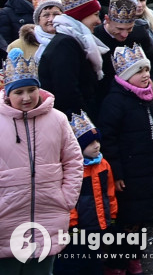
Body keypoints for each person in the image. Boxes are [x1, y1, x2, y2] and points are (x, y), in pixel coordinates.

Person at [0, 50, 84, 272]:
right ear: (8, 94)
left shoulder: (57, 119)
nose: (26, 97)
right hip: (6, 218)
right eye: (19, 92)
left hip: (50, 213)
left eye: (31, 90)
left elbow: (74, 160)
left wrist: (66, 198)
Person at [98, 44, 153, 275]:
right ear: (126, 77)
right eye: (138, 72)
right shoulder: (115, 102)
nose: (145, 75)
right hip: (128, 174)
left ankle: (134, 258)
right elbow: (108, 140)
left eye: (146, 70)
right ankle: (117, 264)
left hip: (148, 168)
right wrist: (117, 173)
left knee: (140, 219)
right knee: (124, 221)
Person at [37, 0, 108, 118]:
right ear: (82, 16)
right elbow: (68, 94)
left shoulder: (70, 41)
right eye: (95, 14)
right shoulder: (65, 44)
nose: (99, 21)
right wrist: (86, 123)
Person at [61, 110, 117, 274]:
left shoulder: (104, 164)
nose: (96, 146)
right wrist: (72, 223)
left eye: (97, 141)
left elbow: (110, 192)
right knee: (76, 263)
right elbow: (68, 199)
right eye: (90, 143)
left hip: (99, 225)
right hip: (79, 228)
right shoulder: (73, 169)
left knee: (96, 262)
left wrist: (112, 216)